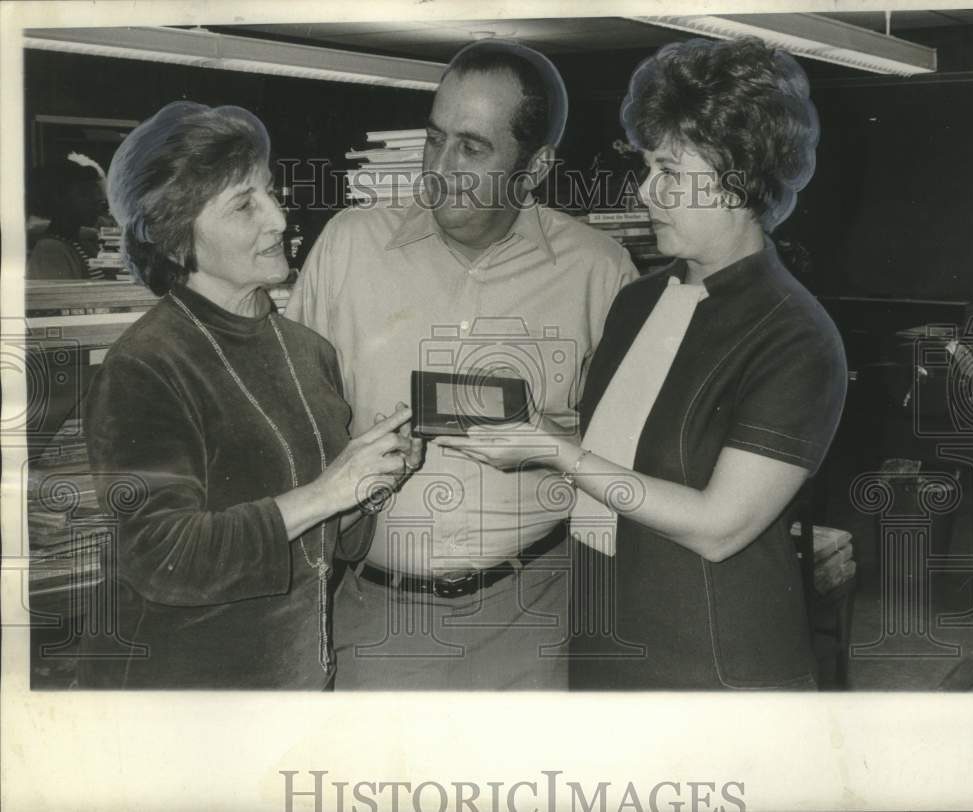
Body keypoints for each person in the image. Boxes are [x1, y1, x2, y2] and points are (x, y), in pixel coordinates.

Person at [438, 37, 848, 690]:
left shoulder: (796, 336)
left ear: (742, 181)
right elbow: (624, 461)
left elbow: (720, 525)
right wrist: (538, 431)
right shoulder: (638, 300)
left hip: (710, 663)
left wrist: (558, 452)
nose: (647, 192)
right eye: (648, 168)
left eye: (672, 174)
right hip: (605, 633)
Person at [286, 40, 638, 690]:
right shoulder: (346, 249)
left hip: (536, 619)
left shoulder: (600, 273)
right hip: (377, 622)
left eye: (472, 148)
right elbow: (286, 430)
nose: (440, 168)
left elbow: (629, 466)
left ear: (534, 168)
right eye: (434, 138)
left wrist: (549, 443)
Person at [79, 101, 422, 689]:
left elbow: (325, 545)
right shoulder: (147, 364)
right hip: (184, 695)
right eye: (244, 205)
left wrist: (368, 487)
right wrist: (328, 490)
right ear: (175, 236)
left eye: (269, 191)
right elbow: (160, 557)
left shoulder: (308, 349)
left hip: (295, 680)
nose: (279, 218)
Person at [27, 156, 107, 280]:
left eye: (95, 192)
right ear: (57, 199)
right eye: (84, 193)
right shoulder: (51, 251)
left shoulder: (76, 242)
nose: (97, 200)